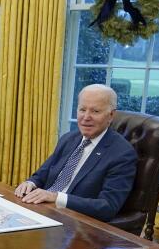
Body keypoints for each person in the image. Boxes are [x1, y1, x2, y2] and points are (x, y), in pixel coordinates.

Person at [13, 84, 136, 222]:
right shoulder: (69, 139)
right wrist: (31, 183)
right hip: (42, 210)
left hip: (74, 221)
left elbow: (107, 207)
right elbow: (44, 172)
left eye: (95, 111)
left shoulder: (122, 154)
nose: (86, 117)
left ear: (111, 115)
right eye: (82, 110)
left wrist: (56, 197)